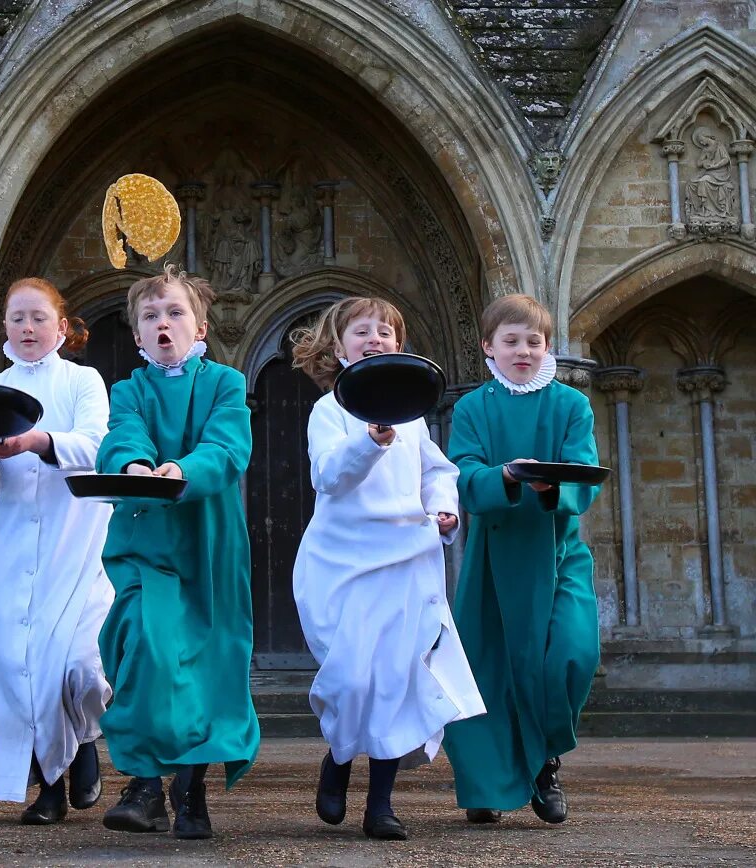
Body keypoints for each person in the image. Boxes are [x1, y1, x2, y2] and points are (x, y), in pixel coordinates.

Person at [289, 297, 484, 841]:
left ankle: (380, 805)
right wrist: (369, 440)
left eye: (386, 332)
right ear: (338, 347)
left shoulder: (416, 417)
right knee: (352, 677)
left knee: (397, 680)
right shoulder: (330, 411)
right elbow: (328, 477)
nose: (375, 339)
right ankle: (339, 756)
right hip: (345, 562)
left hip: (407, 558)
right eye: (362, 331)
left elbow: (437, 471)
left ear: (399, 345)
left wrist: (444, 507)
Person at [95, 264, 260, 840]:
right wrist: (137, 465)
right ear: (137, 335)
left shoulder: (226, 384)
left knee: (204, 666)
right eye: (150, 316)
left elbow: (226, 446)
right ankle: (144, 782)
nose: (163, 324)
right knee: (147, 644)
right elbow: (123, 435)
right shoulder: (128, 389)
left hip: (208, 544)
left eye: (174, 313)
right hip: (146, 540)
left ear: (201, 325)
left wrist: (182, 469)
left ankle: (190, 788)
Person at [0, 277, 114, 825]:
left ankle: (84, 736)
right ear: (5, 327)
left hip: (78, 541)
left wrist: (38, 441)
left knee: (81, 667)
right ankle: (48, 787)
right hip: (15, 545)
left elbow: (97, 445)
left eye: (39, 317)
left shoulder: (84, 380)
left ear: (61, 327)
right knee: (23, 669)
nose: (27, 327)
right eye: (18, 317)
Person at [443, 294, 602, 826]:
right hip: (495, 559)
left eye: (533, 342)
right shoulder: (472, 408)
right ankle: (489, 785)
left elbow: (584, 469)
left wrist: (555, 483)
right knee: (490, 673)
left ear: (547, 346)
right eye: (510, 341)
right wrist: (505, 477)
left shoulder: (571, 405)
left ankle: (546, 760)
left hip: (559, 551)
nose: (523, 351)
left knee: (572, 655)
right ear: (488, 346)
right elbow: (463, 474)